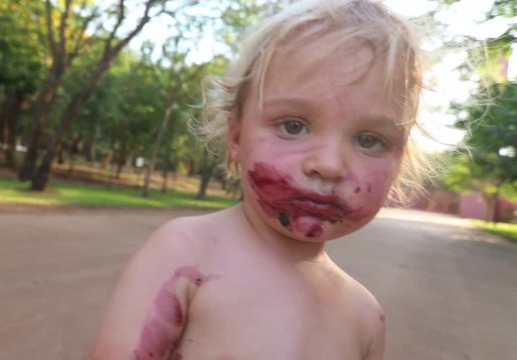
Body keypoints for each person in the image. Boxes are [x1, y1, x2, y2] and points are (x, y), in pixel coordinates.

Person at [91, 0, 432, 358]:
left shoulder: (365, 317)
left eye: (369, 140)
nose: (330, 165)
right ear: (236, 137)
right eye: (293, 126)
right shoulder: (186, 252)